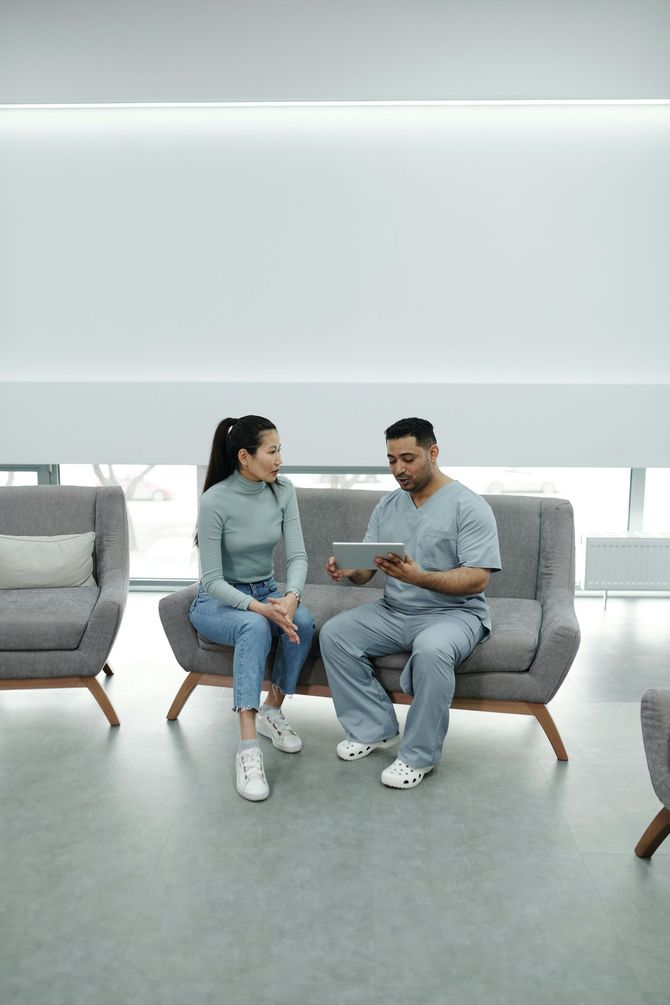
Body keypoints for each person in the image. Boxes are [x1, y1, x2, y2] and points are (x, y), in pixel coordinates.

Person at [320, 417, 501, 789]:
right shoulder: (387, 506)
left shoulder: (469, 506)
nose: (398, 469)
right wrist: (348, 570)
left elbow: (479, 577)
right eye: (391, 460)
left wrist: (420, 578)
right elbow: (368, 572)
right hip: (395, 610)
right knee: (335, 633)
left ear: (432, 453)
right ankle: (374, 729)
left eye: (408, 458)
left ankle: (418, 756)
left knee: (433, 651)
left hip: (455, 613)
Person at [189, 415, 314, 802]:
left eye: (280, 450)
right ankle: (247, 750)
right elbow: (211, 581)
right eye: (272, 451)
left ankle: (271, 712)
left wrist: (290, 597)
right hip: (218, 601)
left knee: (304, 621)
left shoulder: (283, 491)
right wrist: (258, 608)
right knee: (254, 628)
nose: (279, 460)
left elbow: (297, 556)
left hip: (268, 589)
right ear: (245, 457)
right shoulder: (215, 500)